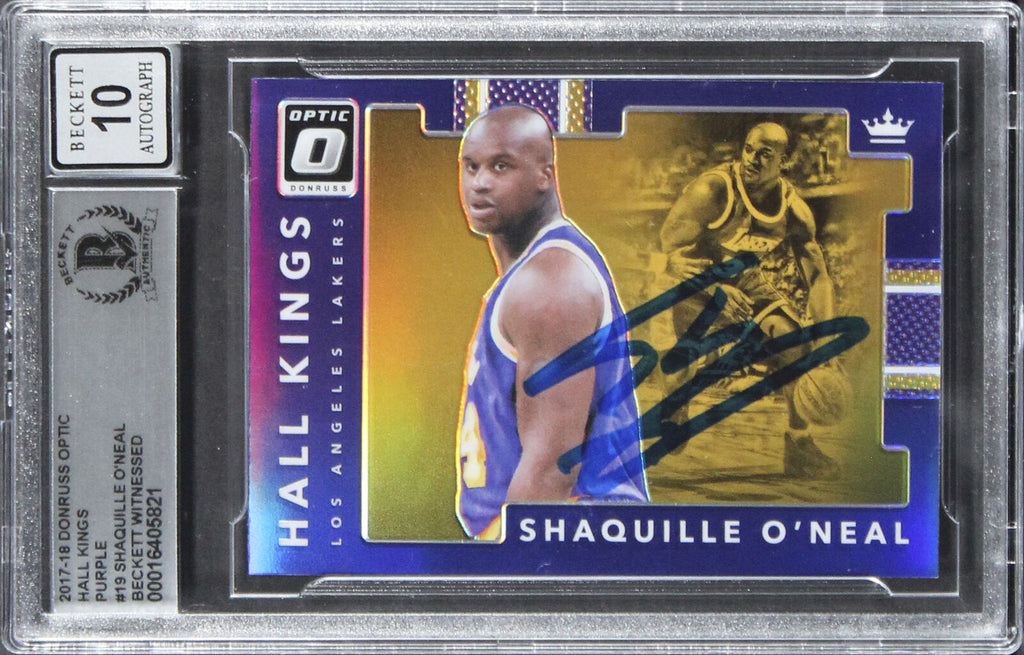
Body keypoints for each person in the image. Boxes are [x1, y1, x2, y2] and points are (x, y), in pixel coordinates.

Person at [455, 104, 649, 540]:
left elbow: (549, 474)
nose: (480, 182)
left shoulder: (550, 283)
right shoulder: (532, 275)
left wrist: (502, 571)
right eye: (471, 167)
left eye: (501, 166)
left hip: (568, 548)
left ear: (545, 174)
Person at [659, 122, 839, 478]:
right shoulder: (712, 191)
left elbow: (818, 277)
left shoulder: (794, 212)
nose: (752, 159)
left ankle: (799, 445)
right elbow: (669, 249)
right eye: (749, 149)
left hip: (744, 279)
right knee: (682, 368)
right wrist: (714, 289)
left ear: (784, 162)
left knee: (795, 343)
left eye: (765, 154)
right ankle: (675, 405)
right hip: (696, 278)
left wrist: (827, 339)